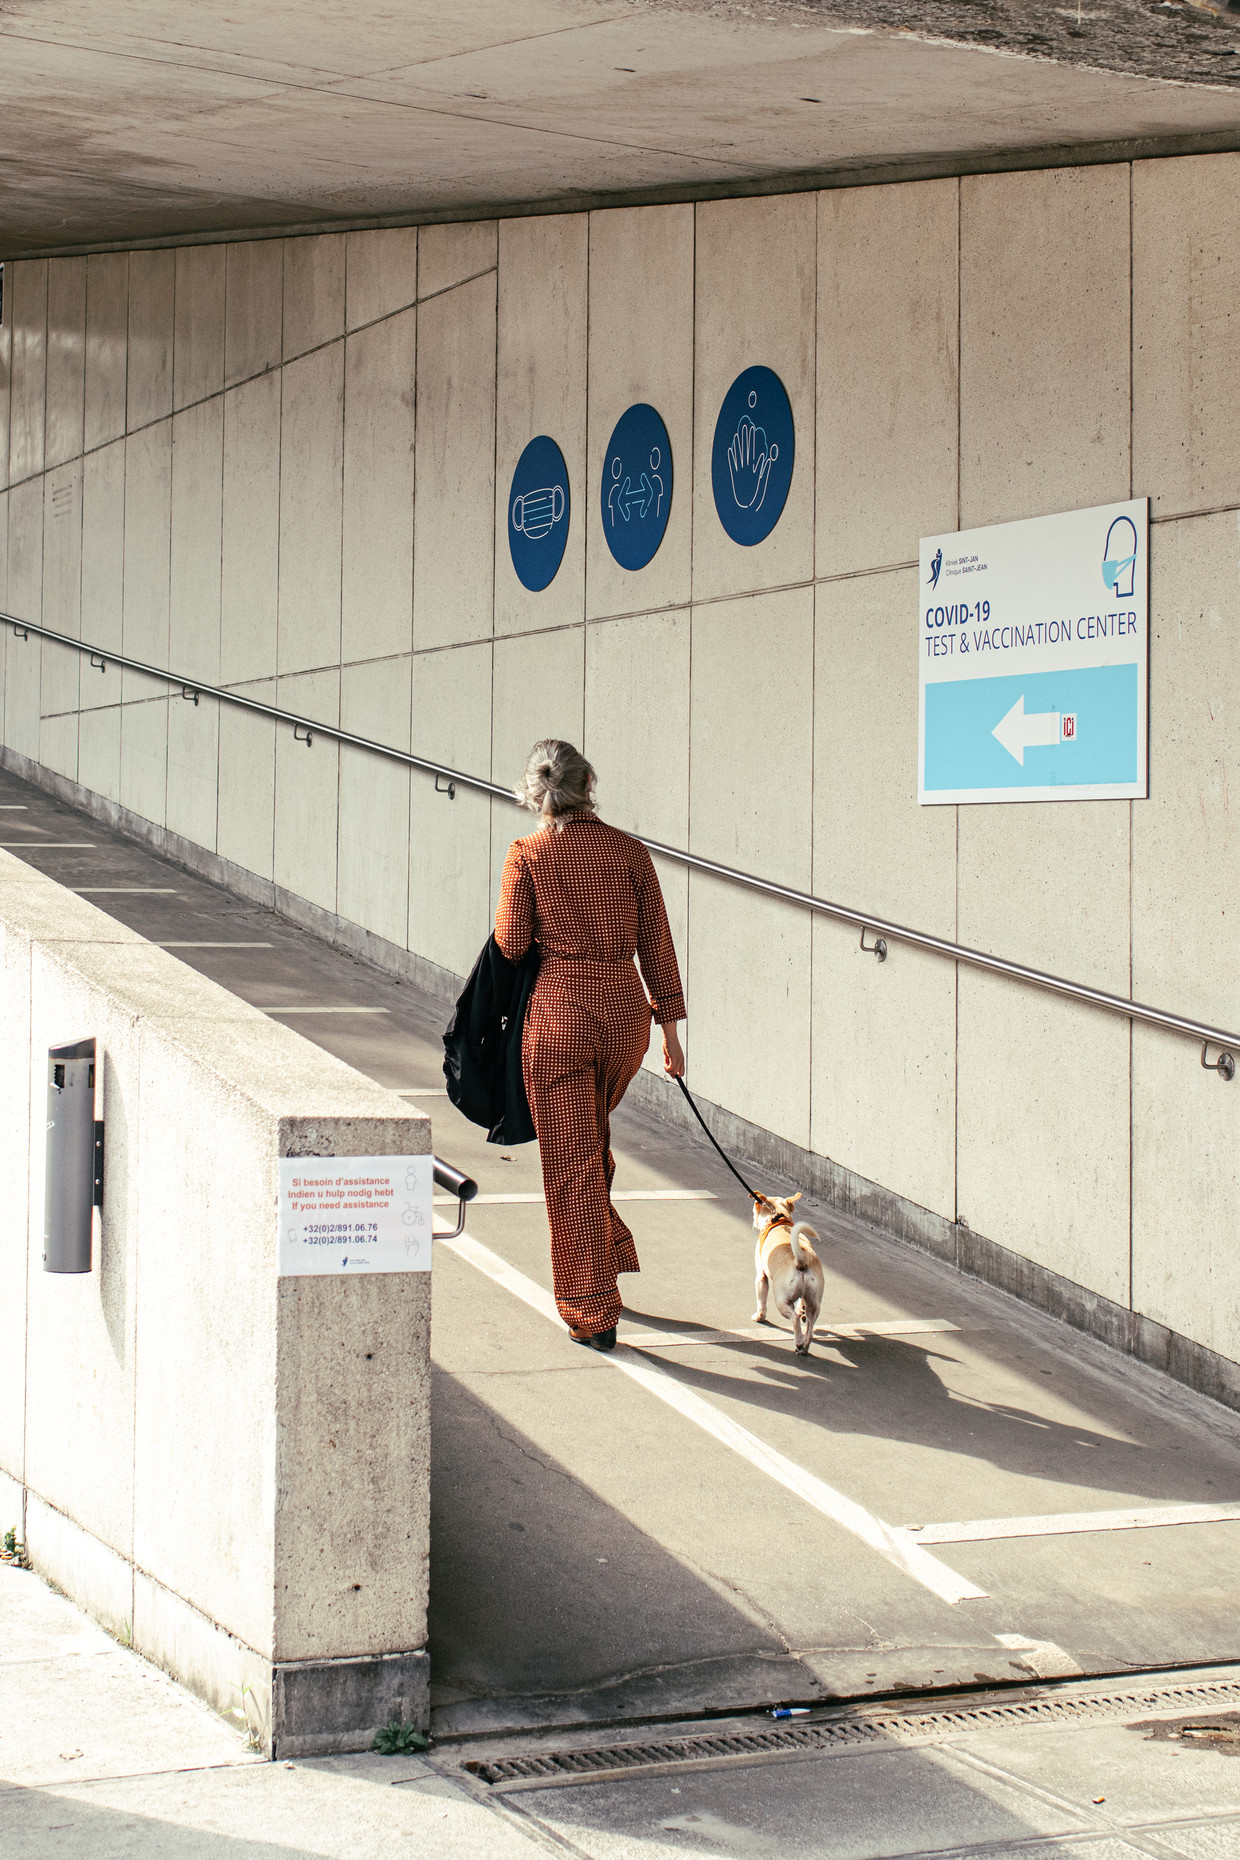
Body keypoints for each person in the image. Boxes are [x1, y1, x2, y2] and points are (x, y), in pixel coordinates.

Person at [495, 740, 686, 1351]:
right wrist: (672, 1035)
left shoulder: (527, 854)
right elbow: (657, 944)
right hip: (625, 1020)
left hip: (559, 1022)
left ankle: (591, 1310)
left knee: (571, 1163)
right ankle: (607, 1251)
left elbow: (512, 942)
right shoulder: (630, 853)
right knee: (589, 1143)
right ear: (589, 783)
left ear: (534, 793)